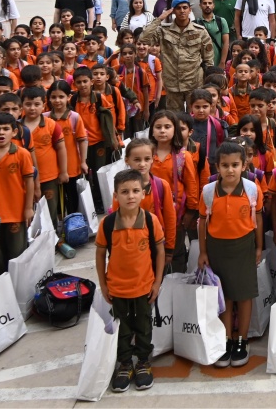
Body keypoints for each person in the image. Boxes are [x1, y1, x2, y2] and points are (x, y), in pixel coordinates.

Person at [98, 168, 165, 393]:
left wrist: (157, 283)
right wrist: (103, 284)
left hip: (145, 287)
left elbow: (160, 250)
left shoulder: (150, 220)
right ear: (115, 195)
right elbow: (99, 254)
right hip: (117, 289)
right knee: (123, 329)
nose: (131, 196)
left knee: (144, 326)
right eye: (124, 191)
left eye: (136, 190)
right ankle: (125, 364)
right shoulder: (107, 224)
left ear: (144, 193)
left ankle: (143, 362)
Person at [197, 142, 262, 368]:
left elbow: (259, 219)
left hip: (244, 247)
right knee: (224, 298)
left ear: (244, 165)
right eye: (225, 165)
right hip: (217, 248)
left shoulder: (252, 189)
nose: (230, 170)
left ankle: (241, 341)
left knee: (244, 296)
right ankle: (225, 340)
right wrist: (203, 251)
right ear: (217, 166)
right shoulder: (208, 191)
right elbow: (203, 221)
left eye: (235, 165)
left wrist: (258, 247)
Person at [139, 0, 214, 112]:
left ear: (190, 10)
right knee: (176, 121)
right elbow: (143, 39)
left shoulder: (200, 31)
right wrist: (159, 19)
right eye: (178, 8)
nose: (182, 11)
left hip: (193, 83)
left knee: (194, 118)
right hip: (172, 84)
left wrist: (207, 82)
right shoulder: (163, 30)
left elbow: (208, 59)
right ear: (173, 10)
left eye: (185, 7)